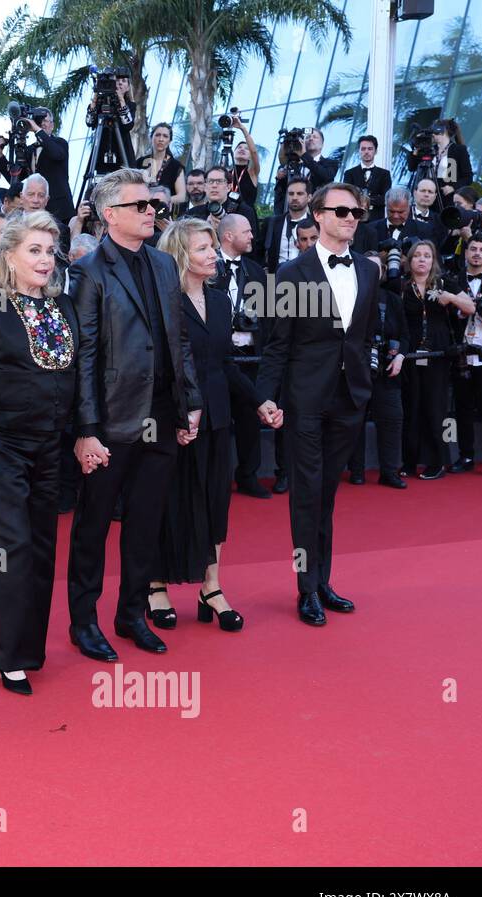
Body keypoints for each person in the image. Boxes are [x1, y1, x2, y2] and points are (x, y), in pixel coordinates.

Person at [66, 167, 202, 661]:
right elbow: (82, 356)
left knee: (146, 522)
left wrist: (190, 402)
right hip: (110, 422)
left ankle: (131, 615)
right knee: (94, 525)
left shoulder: (165, 266)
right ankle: (83, 623)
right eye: (140, 206)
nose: (152, 212)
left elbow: (178, 339)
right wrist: (86, 429)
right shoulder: (88, 271)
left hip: (163, 416)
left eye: (153, 205)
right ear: (109, 215)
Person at [0, 210, 78, 694]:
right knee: (10, 548)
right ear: (8, 254)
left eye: (50, 251)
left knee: (44, 547)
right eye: (34, 250)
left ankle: (23, 642)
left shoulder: (62, 306)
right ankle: (8, 654)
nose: (45, 259)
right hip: (4, 448)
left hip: (53, 447)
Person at [255, 182, 380, 626]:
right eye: (342, 211)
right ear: (318, 214)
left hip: (350, 399)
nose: (351, 219)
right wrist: (266, 396)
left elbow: (364, 336)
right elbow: (275, 345)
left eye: (357, 213)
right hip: (304, 400)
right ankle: (305, 588)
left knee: (326, 493)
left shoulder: (369, 270)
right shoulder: (289, 274)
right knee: (306, 496)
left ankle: (323, 580)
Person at [148, 218, 260, 631]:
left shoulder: (218, 301)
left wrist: (258, 400)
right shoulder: (164, 302)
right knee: (171, 500)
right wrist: (182, 413)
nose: (213, 255)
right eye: (202, 249)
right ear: (180, 254)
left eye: (212, 248)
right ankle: (155, 583)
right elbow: (164, 366)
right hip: (175, 418)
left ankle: (211, 587)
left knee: (216, 500)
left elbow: (224, 364)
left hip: (217, 418)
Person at [211, 213, 273, 498]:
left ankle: (248, 475)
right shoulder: (208, 267)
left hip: (249, 357)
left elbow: (269, 314)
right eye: (247, 231)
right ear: (228, 236)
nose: (252, 236)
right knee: (220, 420)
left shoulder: (257, 271)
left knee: (249, 419)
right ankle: (217, 479)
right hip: (219, 357)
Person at [400, 239, 469, 480]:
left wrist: (449, 297)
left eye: (427, 255)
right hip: (409, 356)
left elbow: (470, 307)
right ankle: (409, 462)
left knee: (434, 408)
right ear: (409, 260)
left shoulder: (444, 283)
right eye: (417, 255)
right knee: (412, 407)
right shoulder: (401, 286)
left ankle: (437, 462)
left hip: (438, 355)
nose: (422, 259)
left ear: (433, 260)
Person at [346, 251, 408, 487]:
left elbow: (405, 335)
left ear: (382, 272)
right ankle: (357, 471)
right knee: (353, 422)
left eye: (376, 269)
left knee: (392, 420)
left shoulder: (392, 300)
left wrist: (400, 355)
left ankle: (390, 472)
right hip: (354, 371)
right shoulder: (348, 297)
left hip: (388, 370)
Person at [446, 236, 482, 476]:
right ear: (466, 253)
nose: (477, 254)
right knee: (463, 407)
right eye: (473, 249)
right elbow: (441, 312)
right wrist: (457, 311)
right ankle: (465, 456)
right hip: (461, 354)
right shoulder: (452, 280)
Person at [81, 72, 137, 177]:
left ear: (128, 87)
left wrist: (120, 100)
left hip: (122, 151)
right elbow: (89, 122)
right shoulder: (101, 103)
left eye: (123, 81)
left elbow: (128, 125)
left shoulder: (130, 105)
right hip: (102, 149)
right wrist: (95, 98)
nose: (120, 83)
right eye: (117, 81)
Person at [272, 127, 336, 215]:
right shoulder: (292, 164)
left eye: (315, 137)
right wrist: (279, 178)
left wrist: (304, 155)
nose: (311, 139)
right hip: (290, 213)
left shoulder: (330, 163)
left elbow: (326, 176)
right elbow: (281, 193)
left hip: (315, 215)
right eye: (308, 137)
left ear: (322, 144)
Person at [260, 176, 313, 273]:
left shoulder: (317, 225)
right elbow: (258, 253)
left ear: (309, 197)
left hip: (306, 281)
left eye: (300, 194)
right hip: (274, 280)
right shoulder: (271, 223)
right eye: (291, 194)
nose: (295, 197)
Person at [342, 135, 392, 223]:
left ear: (375, 151)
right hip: (355, 219)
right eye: (363, 149)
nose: (366, 152)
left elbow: (386, 198)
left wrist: (367, 201)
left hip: (377, 220)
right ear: (359, 151)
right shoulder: (349, 173)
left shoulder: (385, 174)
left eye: (370, 149)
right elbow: (347, 196)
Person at [137, 123, 186, 207]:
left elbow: (181, 196)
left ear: (170, 141)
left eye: (165, 136)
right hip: (140, 208)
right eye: (157, 135)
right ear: (151, 138)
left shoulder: (176, 166)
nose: (161, 139)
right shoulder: (140, 162)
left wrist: (161, 200)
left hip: (162, 211)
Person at [430, 118, 472, 207]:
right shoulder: (430, 150)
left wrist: (453, 187)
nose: (433, 133)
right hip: (428, 198)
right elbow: (412, 167)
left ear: (445, 131)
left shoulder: (459, 150)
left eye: (436, 129)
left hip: (446, 200)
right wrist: (416, 150)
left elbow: (468, 177)